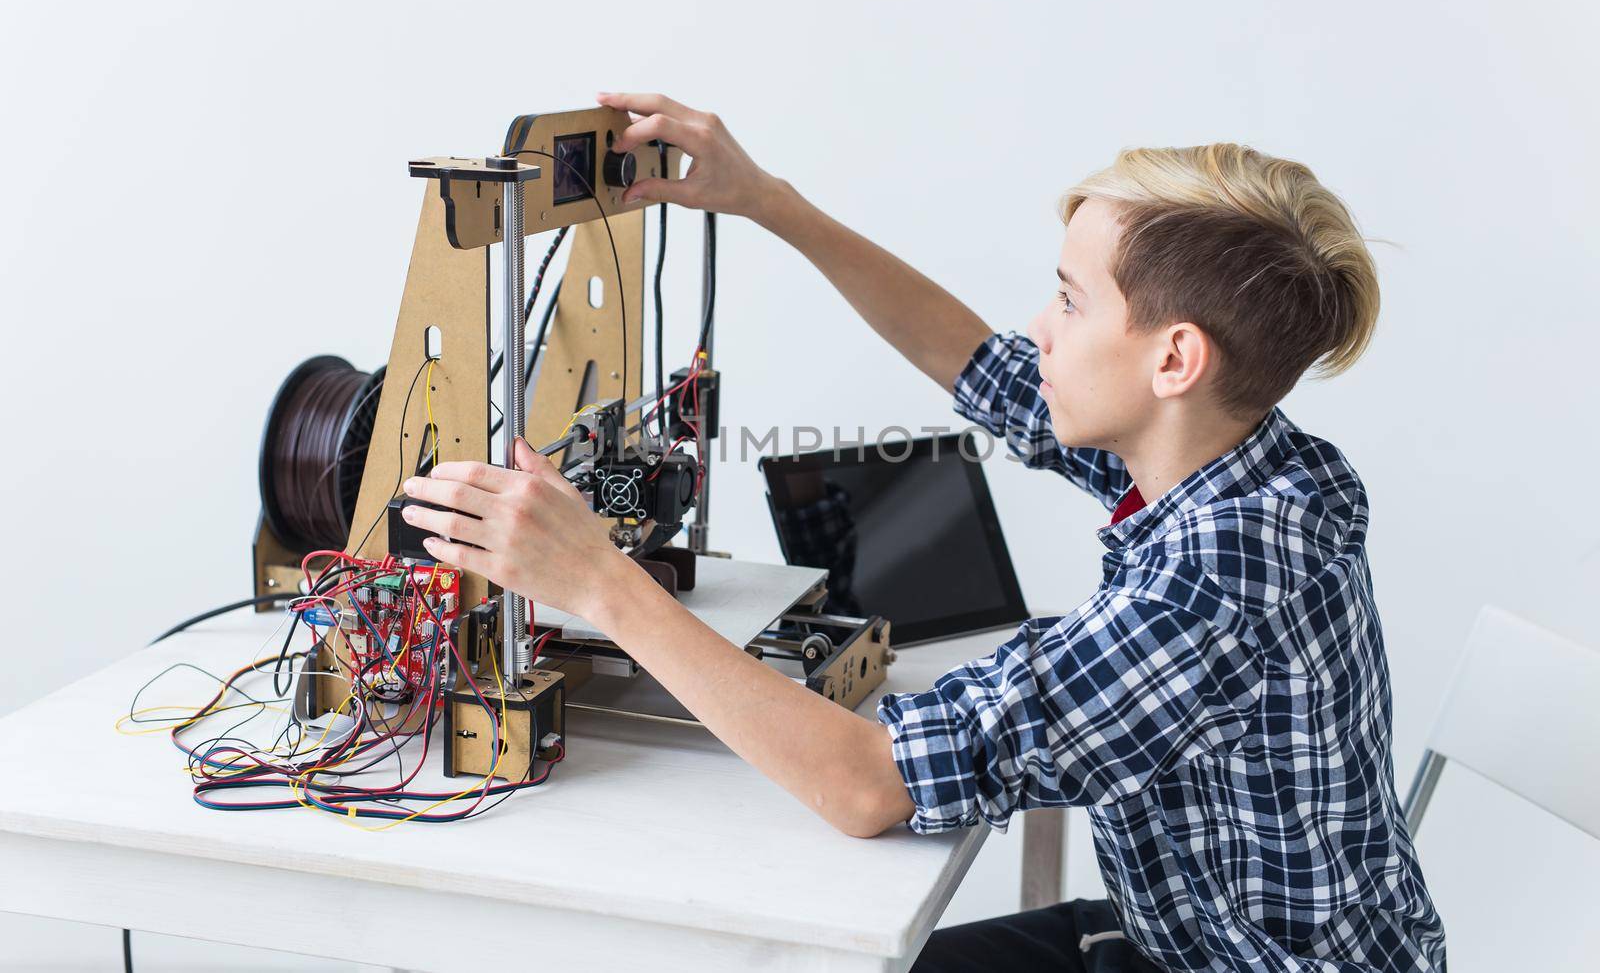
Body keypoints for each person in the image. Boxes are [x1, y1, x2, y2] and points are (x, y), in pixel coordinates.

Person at [400, 93, 1445, 972]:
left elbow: (867, 785)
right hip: (1192, 938)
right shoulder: (1243, 456)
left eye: (1071, 302)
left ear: (1174, 359)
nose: (1040, 325)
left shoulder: (1212, 580)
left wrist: (597, 580)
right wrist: (762, 200)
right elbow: (974, 362)